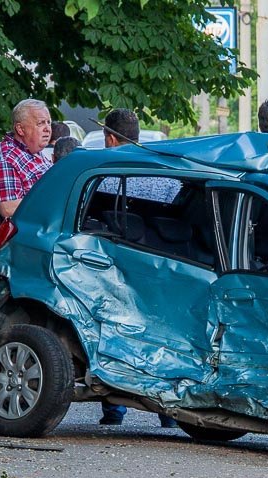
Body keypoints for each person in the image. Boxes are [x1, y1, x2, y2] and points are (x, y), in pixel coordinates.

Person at [97, 108, 178, 428]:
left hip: (118, 270)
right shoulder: (161, 171)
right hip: (161, 271)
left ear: (110, 138)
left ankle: (114, 410)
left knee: (114, 335)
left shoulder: (105, 173)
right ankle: (168, 414)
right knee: (162, 341)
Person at [0, 99, 53, 221]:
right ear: (20, 129)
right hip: (26, 236)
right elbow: (8, 208)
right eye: (40, 123)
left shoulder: (34, 152)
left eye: (49, 122)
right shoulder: (7, 157)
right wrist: (57, 203)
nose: (47, 128)